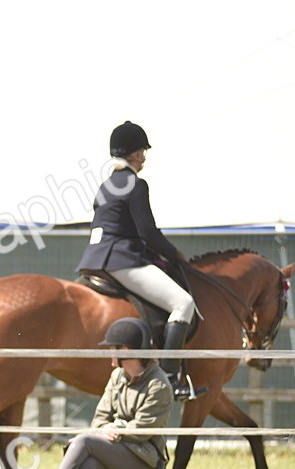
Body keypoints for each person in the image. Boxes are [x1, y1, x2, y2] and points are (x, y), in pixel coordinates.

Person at [8, 318, 171, 469]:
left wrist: (116, 428)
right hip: (117, 448)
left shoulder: (159, 385)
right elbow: (100, 419)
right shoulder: (116, 377)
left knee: (84, 440)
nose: (109, 353)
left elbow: (143, 429)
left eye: (113, 348)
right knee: (85, 466)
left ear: (126, 350)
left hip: (144, 457)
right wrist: (107, 428)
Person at [77, 120, 202, 401]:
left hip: (94, 257)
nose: (144, 157)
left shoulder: (106, 185)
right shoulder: (135, 184)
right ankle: (170, 379)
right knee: (183, 304)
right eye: (143, 151)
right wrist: (174, 254)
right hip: (120, 259)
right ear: (134, 154)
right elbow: (147, 232)